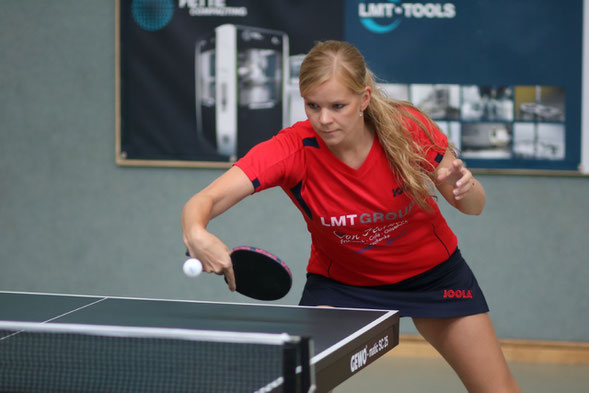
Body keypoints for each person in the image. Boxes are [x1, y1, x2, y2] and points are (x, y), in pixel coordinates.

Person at [182, 40, 521, 392]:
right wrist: (196, 232)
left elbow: (474, 206)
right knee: (292, 386)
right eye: (313, 106)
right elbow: (204, 200)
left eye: (337, 106)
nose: (324, 119)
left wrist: (466, 188)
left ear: (364, 99)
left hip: (433, 277)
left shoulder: (408, 129)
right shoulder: (292, 150)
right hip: (344, 287)